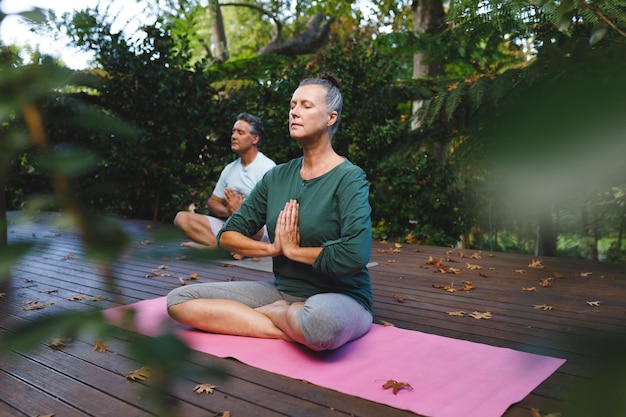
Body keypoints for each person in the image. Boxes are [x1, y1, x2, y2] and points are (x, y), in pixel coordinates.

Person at [167, 73, 373, 351]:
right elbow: (228, 235)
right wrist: (274, 248)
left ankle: (278, 316)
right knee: (179, 301)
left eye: (306, 106)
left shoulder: (349, 177)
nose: (294, 112)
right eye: (292, 105)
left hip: (340, 296)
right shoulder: (276, 177)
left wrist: (294, 251)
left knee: (321, 324)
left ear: (331, 118)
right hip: (283, 290)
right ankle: (284, 322)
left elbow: (355, 253)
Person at [173, 112, 276, 250]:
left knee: (251, 226)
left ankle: (228, 246)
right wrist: (230, 212)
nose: (234, 136)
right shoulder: (230, 169)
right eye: (233, 132)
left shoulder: (267, 168)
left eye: (240, 132)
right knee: (181, 218)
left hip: (258, 230)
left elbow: (275, 209)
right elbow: (213, 202)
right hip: (231, 223)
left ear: (255, 139)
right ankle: (220, 247)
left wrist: (242, 212)